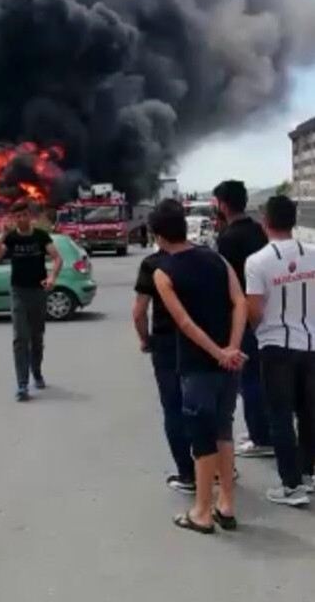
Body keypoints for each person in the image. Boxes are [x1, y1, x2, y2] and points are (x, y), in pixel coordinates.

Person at [152, 200, 247, 534]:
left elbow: (185, 323)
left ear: (159, 237)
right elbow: (240, 302)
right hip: (230, 364)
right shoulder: (217, 259)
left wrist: (218, 352)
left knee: (201, 435)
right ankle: (227, 504)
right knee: (224, 429)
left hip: (198, 365)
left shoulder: (163, 273)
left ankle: (202, 511)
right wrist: (232, 348)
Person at [246, 195, 315, 507]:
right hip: (311, 344)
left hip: (276, 348)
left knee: (280, 416)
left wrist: (257, 330)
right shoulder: (312, 254)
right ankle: (308, 474)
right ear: (295, 218)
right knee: (309, 413)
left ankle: (291, 486)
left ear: (265, 222)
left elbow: (255, 309)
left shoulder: (258, 261)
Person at [214, 179, 273, 458]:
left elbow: (224, 282)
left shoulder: (227, 238)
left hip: (242, 315)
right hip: (265, 309)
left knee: (247, 378)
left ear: (223, 205)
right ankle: (262, 428)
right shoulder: (258, 231)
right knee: (261, 376)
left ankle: (261, 437)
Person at [133, 231, 195, 494]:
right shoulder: (206, 258)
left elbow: (139, 312)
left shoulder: (152, 264)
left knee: (173, 407)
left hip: (167, 344)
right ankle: (217, 468)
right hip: (201, 342)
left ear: (158, 235)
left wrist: (145, 340)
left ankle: (187, 474)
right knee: (205, 405)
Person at [0, 200, 63, 401]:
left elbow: (57, 258)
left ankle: (36, 372)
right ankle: (22, 384)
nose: (21, 219)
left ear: (30, 216)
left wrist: (52, 277)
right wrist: (3, 235)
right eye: (17, 216)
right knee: (20, 338)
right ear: (14, 218)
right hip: (19, 293)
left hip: (38, 292)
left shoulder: (41, 236)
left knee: (37, 338)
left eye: (24, 215)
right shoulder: (11, 238)